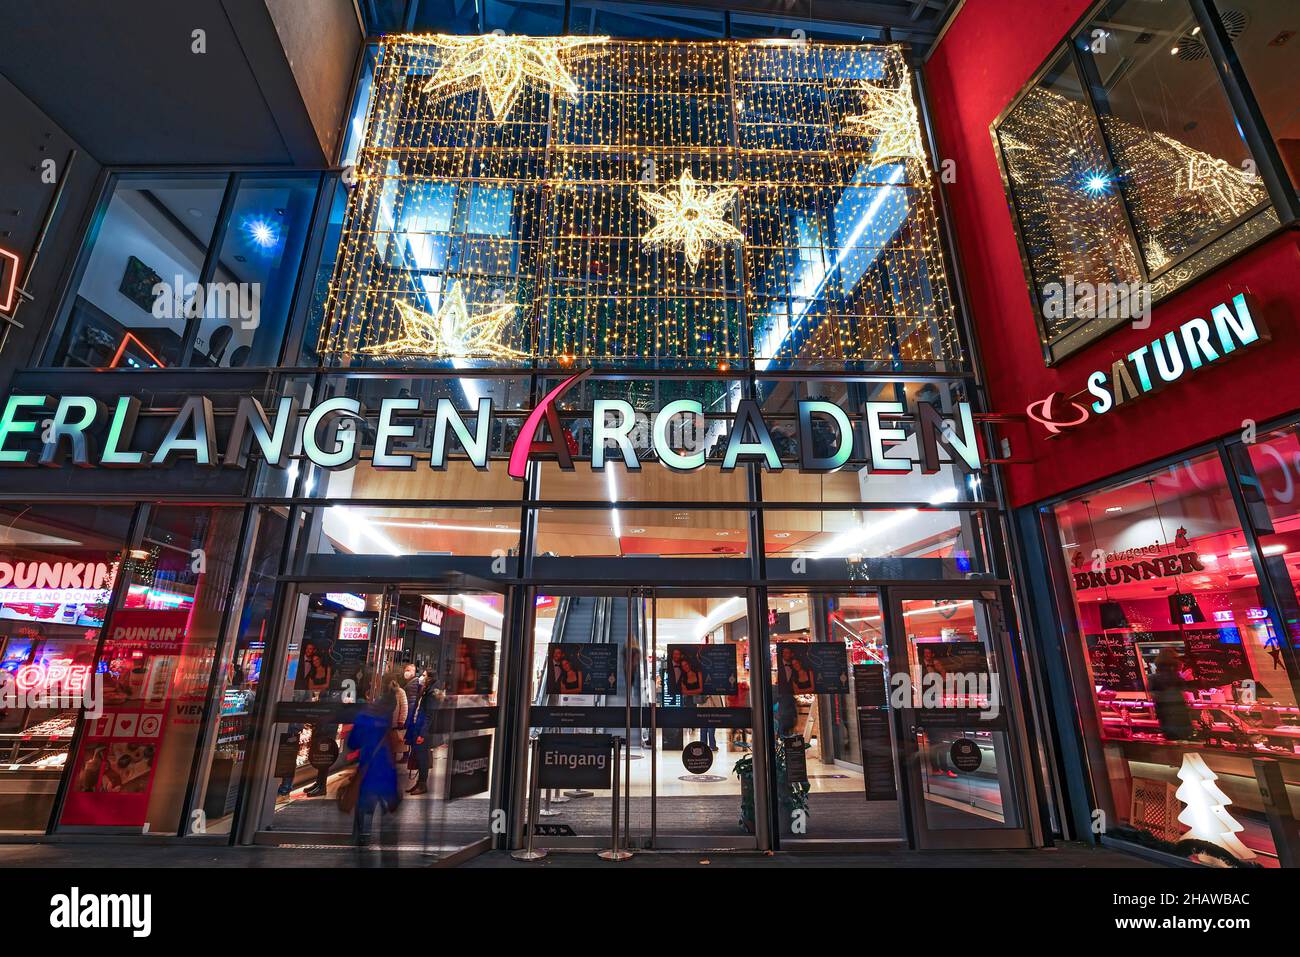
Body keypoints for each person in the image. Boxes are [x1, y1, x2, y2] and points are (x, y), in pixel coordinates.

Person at [347, 671, 401, 856]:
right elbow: (393, 743)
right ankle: (388, 842)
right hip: (386, 771)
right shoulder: (385, 719)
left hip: (368, 770)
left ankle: (363, 838)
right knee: (388, 809)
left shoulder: (364, 717)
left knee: (365, 807)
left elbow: (353, 742)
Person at [1148, 648, 1194, 741]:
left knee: (1172, 741)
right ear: (1174, 662)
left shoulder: (1153, 678)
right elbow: (1188, 690)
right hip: (1180, 719)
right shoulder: (1175, 677)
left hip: (1165, 719)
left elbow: (1152, 695)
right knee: (1182, 741)